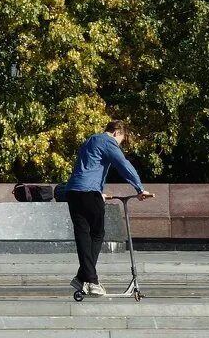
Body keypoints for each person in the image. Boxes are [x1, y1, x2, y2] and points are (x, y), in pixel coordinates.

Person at [65, 119, 154, 296]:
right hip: (89, 192)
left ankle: (82, 278)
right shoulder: (108, 142)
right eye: (120, 140)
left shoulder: (90, 140)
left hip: (74, 191)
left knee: (83, 234)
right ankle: (90, 279)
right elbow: (123, 164)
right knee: (97, 234)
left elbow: (87, 168)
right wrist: (139, 188)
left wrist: (100, 191)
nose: (119, 144)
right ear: (116, 132)